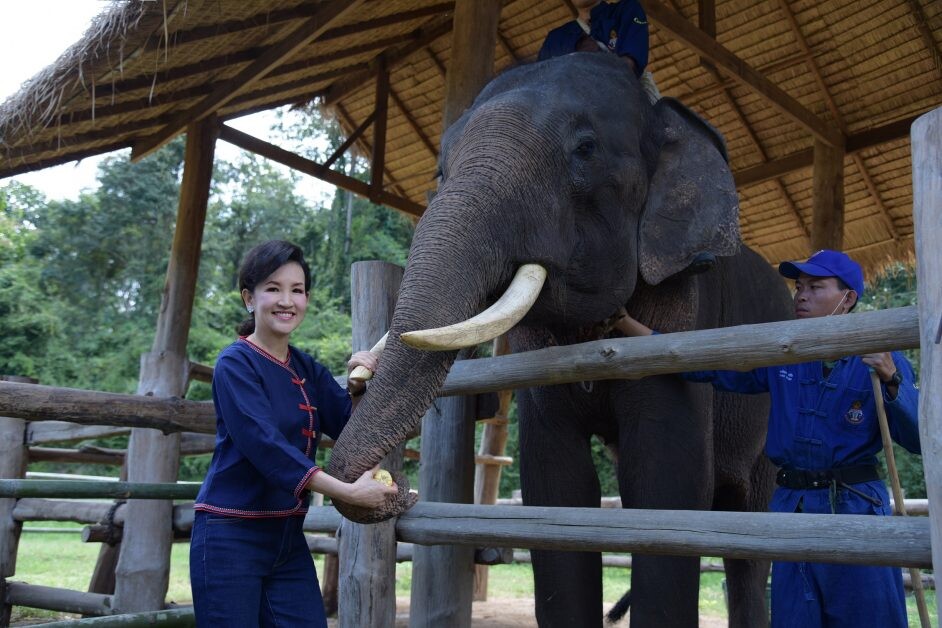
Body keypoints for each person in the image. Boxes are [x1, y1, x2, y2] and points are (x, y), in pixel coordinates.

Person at [614, 249, 920, 628]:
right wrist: (629, 326)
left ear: (848, 298)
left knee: (868, 617)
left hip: (856, 510)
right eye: (799, 286)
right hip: (791, 510)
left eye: (815, 287)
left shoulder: (881, 357)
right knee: (795, 617)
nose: (801, 295)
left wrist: (893, 380)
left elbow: (919, 439)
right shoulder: (782, 352)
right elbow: (704, 364)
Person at [190, 240, 397, 627]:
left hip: (287, 538)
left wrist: (359, 386)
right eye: (273, 288)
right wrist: (348, 492)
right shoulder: (234, 363)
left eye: (297, 290)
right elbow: (266, 447)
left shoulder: (307, 368)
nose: (287, 300)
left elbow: (350, 428)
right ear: (249, 299)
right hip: (230, 536)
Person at [538, 0, 660, 102]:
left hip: (626, 105)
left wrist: (596, 56)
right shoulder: (555, 39)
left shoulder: (627, 10)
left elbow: (629, 66)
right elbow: (540, 92)